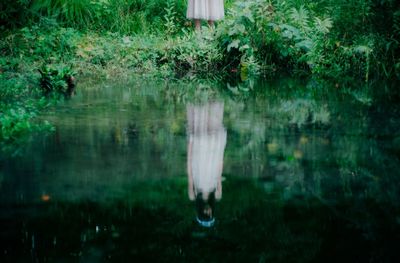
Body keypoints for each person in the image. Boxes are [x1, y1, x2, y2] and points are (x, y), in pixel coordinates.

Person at [187, 101, 227, 227]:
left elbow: (190, 177)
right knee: (212, 135)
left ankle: (198, 100)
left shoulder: (193, 196)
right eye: (209, 213)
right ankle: (214, 100)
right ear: (211, 212)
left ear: (200, 212)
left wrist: (190, 146)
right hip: (212, 162)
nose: (207, 211)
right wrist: (221, 154)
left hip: (198, 164)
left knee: (201, 136)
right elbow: (219, 176)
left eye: (204, 213)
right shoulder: (217, 195)